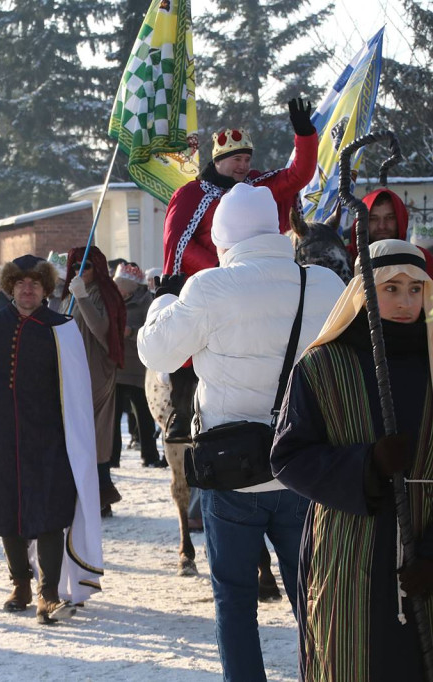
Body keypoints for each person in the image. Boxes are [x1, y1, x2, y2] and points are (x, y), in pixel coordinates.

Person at [138, 183, 344, 682]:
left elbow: (156, 354)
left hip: (231, 472)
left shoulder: (208, 287)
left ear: (224, 238)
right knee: (314, 602)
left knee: (234, 603)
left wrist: (162, 302)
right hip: (305, 468)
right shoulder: (324, 284)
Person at [271, 239, 433, 681]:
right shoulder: (322, 365)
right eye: (391, 288)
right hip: (348, 548)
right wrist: (368, 463)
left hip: (425, 543)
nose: (404, 302)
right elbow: (289, 457)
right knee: (351, 661)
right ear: (363, 291)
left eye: (415, 289)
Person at [0, 254, 103, 624]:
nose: (27, 289)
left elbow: (78, 390)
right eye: (20, 283)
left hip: (50, 437)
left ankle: (49, 595)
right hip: (2, 434)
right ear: (10, 286)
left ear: (46, 289)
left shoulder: (62, 328)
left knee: (48, 513)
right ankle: (20, 584)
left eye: (34, 283)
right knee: (7, 511)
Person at [159, 98, 319, 443]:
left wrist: (305, 136)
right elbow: (181, 245)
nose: (244, 166)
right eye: (236, 159)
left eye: (247, 159)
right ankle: (181, 412)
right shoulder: (193, 194)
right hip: (210, 285)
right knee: (189, 346)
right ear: (218, 161)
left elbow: (298, 175)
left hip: (259, 281)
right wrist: (224, 272)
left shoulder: (258, 187)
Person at [62, 246, 126, 515]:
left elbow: (101, 330)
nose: (80, 271)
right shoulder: (73, 295)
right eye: (75, 266)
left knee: (95, 432)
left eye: (85, 266)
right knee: (77, 432)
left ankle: (102, 493)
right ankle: (85, 491)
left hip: (97, 371)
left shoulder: (104, 294)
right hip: (75, 371)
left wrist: (83, 297)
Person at [110, 264, 164, 468]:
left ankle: (149, 456)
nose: (118, 291)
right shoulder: (113, 302)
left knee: (143, 415)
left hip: (139, 370)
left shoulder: (146, 302)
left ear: (130, 288)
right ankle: (112, 457)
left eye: (121, 288)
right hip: (116, 368)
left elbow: (151, 330)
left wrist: (130, 333)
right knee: (113, 419)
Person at [346, 188, 433, 277]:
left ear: (400, 219)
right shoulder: (344, 259)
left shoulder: (420, 259)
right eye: (373, 219)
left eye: (390, 217)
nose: (382, 226)